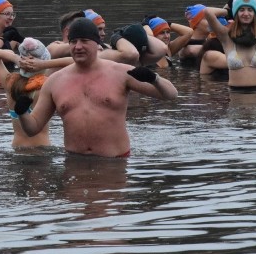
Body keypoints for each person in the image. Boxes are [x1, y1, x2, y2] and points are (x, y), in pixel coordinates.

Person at [14, 17, 178, 158]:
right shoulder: (54, 81)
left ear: (97, 44)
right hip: (73, 162)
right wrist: (22, 113)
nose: (78, 46)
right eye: (73, 42)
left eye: (84, 41)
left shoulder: (120, 72)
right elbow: (32, 128)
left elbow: (171, 94)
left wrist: (154, 78)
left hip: (115, 163)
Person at [0, 37, 54, 148]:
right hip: (41, 150)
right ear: (43, 63)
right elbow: (76, 63)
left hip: (17, 148)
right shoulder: (46, 87)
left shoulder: (10, 83)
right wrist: (46, 64)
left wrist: (17, 59)